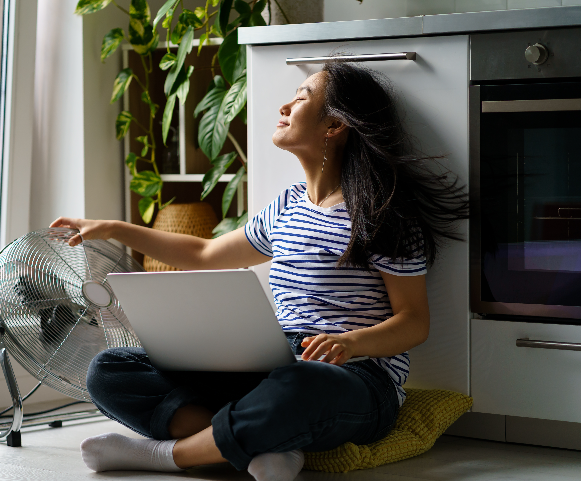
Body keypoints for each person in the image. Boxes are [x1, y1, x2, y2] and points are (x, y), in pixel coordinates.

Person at [50, 61, 468, 480]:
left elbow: (413, 322)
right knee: (111, 371)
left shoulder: (382, 215)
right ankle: (261, 448)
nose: (285, 106)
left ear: (335, 125)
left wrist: (351, 344)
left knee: (302, 387)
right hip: (273, 362)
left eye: (302, 97)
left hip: (356, 377)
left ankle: (164, 455)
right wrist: (111, 228)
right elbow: (204, 253)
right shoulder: (287, 206)